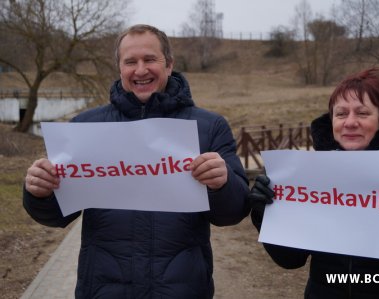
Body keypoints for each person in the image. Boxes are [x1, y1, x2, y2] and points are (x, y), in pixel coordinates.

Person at [23, 24, 250, 298]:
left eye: (150, 59)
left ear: (169, 64)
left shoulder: (209, 126)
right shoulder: (85, 127)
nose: (140, 70)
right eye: (130, 61)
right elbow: (58, 216)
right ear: (119, 68)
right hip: (104, 289)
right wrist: (40, 192)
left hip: (183, 289)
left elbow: (234, 212)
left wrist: (222, 184)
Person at [249, 68, 379, 298]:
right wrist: (266, 214)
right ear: (332, 120)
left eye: (362, 113)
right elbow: (290, 260)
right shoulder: (311, 175)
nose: (350, 122)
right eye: (341, 114)